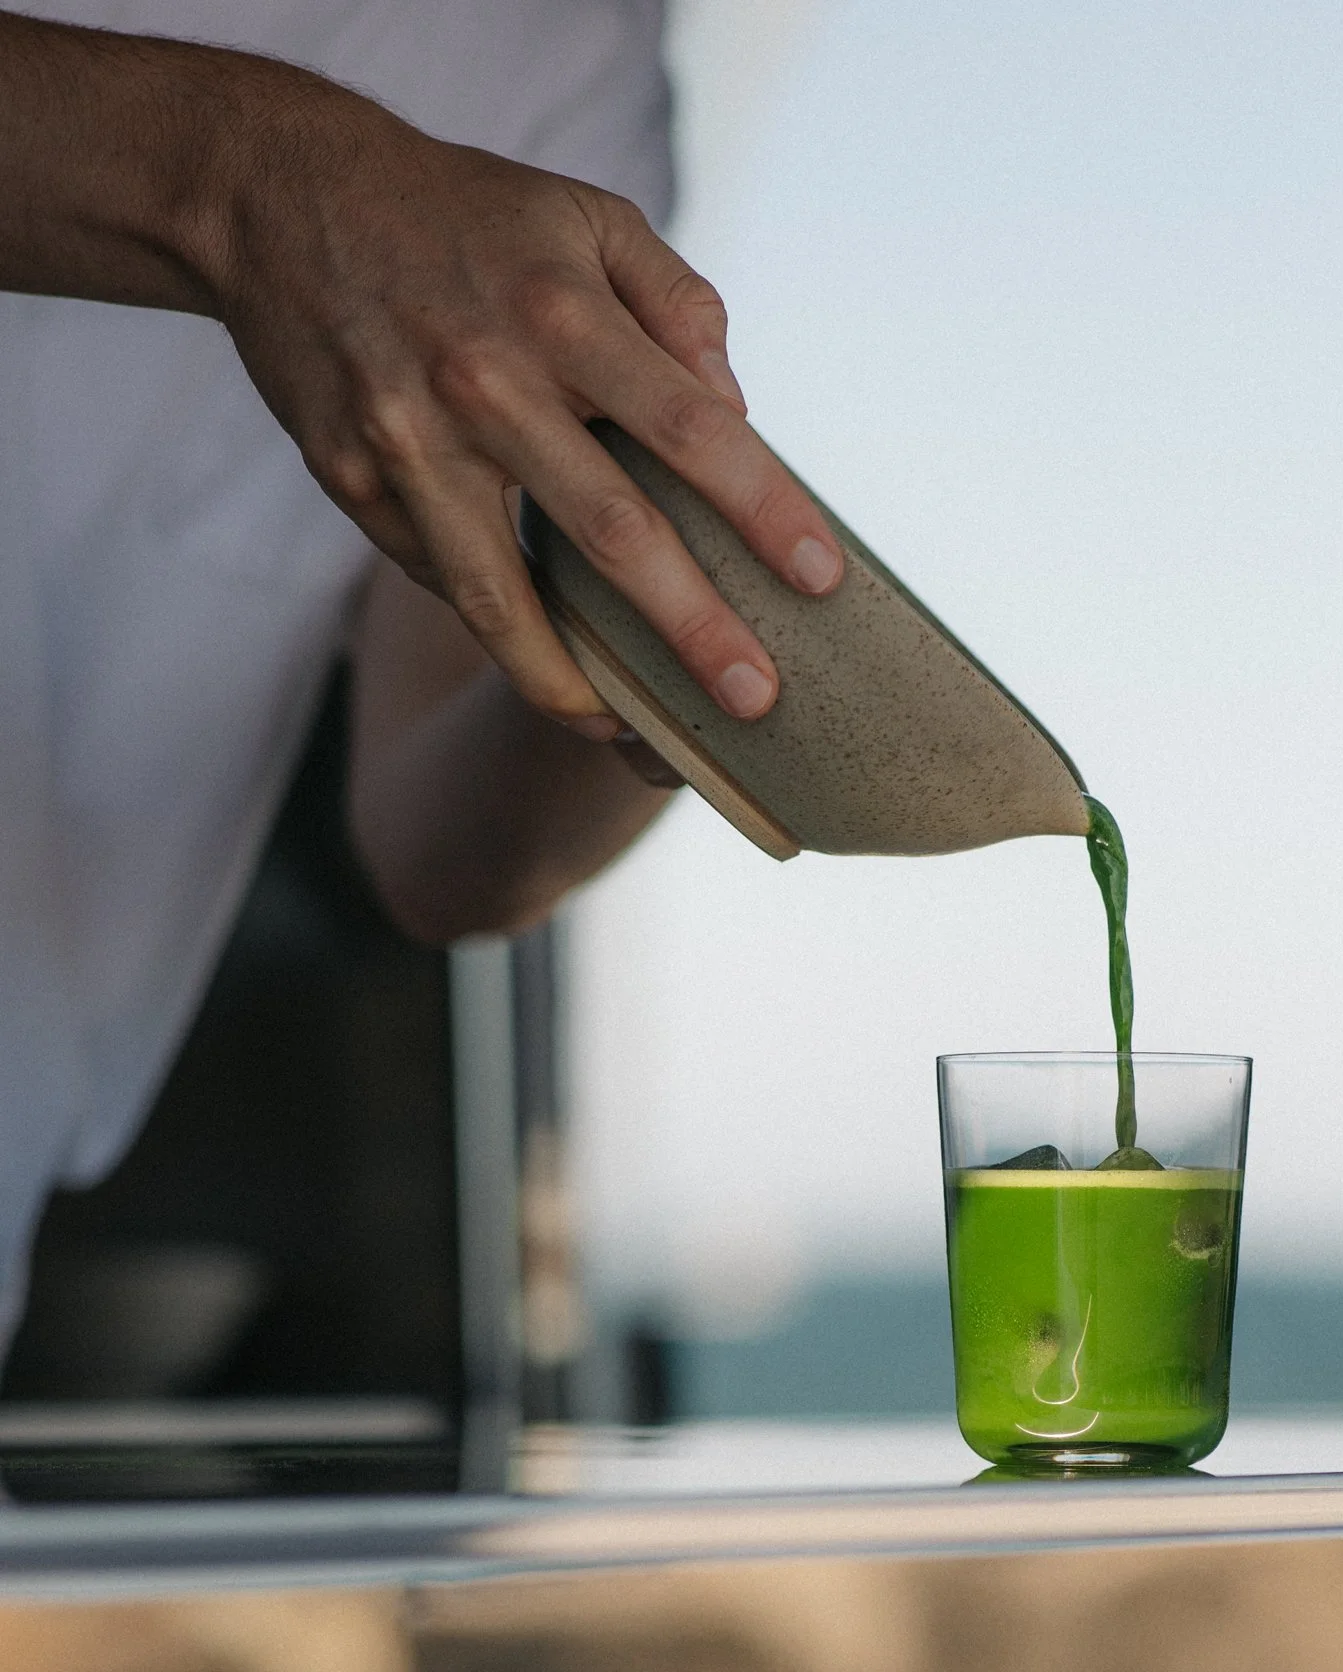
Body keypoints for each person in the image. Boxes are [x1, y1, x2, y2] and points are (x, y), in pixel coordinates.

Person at [0, 0, 844, 1354]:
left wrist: (650, 692)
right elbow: (270, 195)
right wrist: (249, 182)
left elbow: (435, 847)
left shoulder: (573, 63)